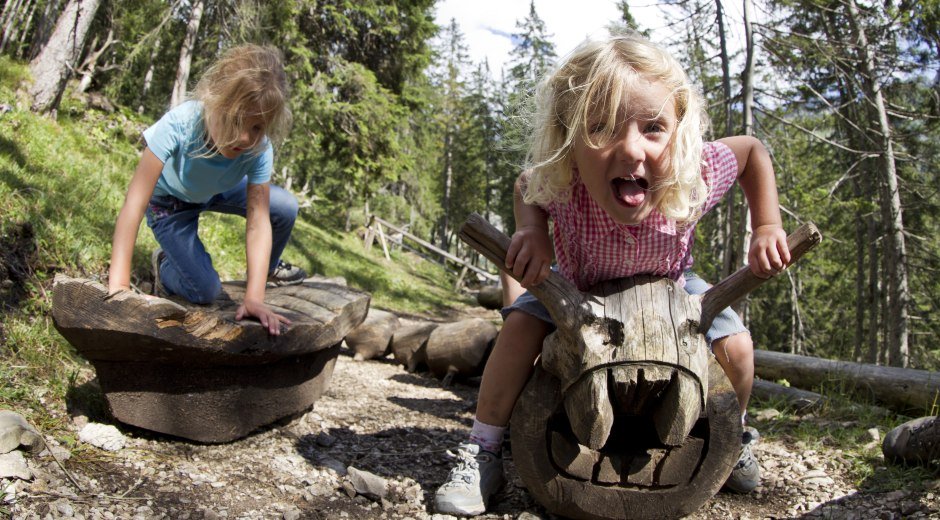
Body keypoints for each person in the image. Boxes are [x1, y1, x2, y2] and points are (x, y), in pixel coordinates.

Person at [434, 31, 790, 516]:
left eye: (653, 128)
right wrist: (532, 233)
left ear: (679, 131)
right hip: (578, 287)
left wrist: (766, 225)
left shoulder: (693, 170)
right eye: (600, 127)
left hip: (673, 286)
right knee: (518, 328)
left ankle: (736, 434)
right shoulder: (566, 180)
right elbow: (526, 185)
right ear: (569, 136)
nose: (631, 149)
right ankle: (483, 448)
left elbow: (751, 152)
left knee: (738, 346)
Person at [107, 44, 307, 336]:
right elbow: (134, 204)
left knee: (284, 207)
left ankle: (266, 272)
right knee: (205, 291)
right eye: (236, 120)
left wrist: (254, 298)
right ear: (214, 100)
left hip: (217, 190)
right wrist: (120, 286)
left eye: (256, 127)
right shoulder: (180, 125)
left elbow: (258, 221)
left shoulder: (259, 149)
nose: (243, 137)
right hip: (170, 202)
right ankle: (165, 263)